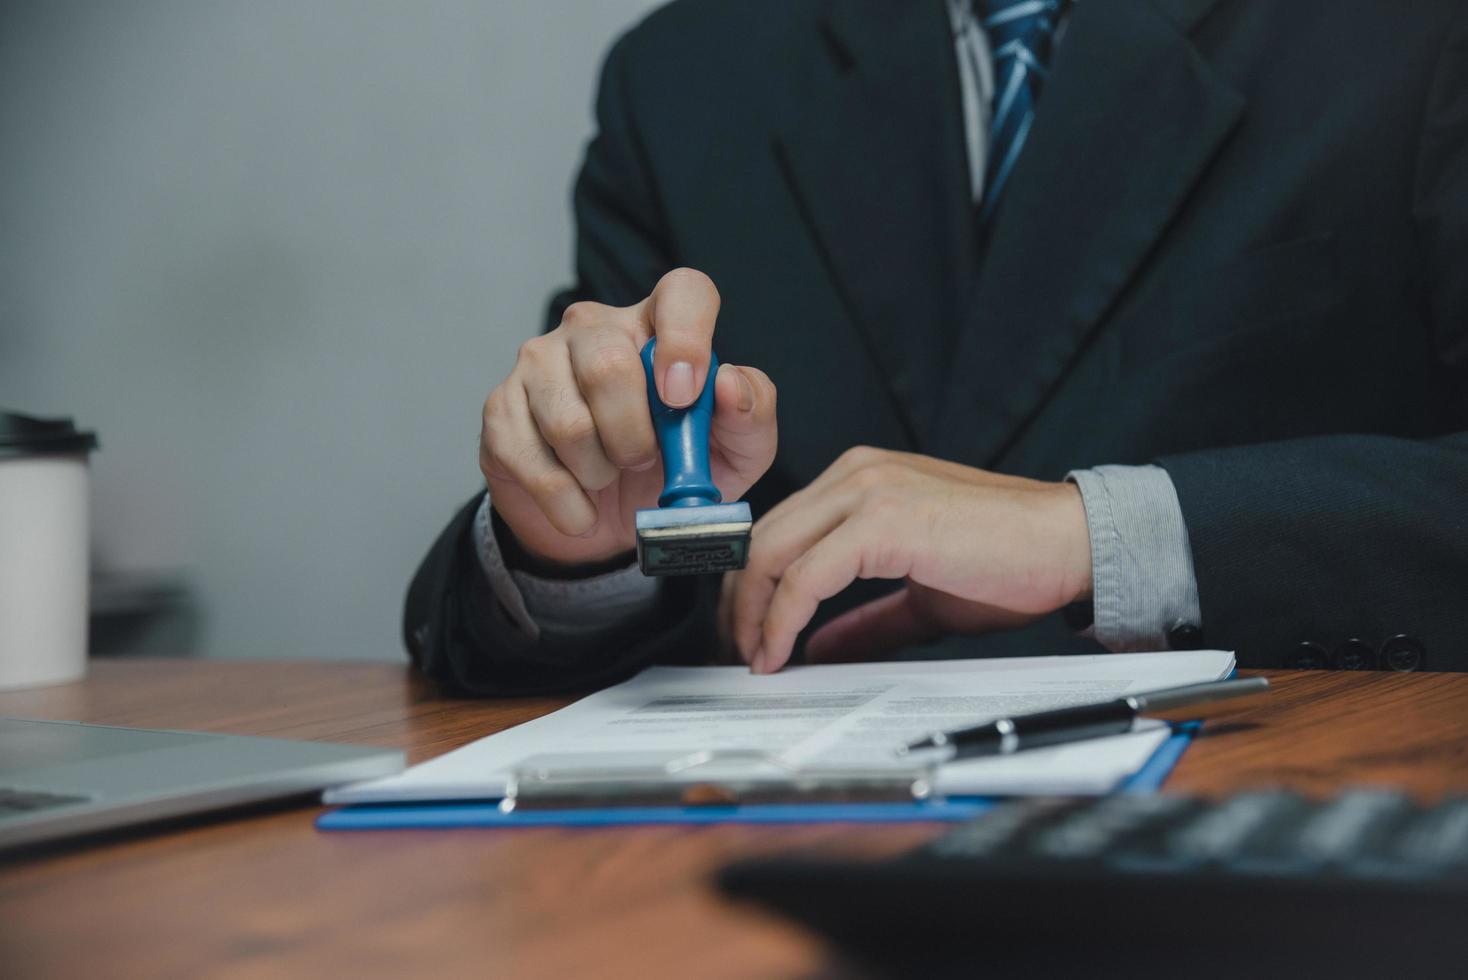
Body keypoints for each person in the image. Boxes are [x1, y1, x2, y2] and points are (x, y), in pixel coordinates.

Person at [405, 0, 1468, 694]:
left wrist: (1091, 534)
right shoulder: (684, 76)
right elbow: (620, 538)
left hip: (1273, 844)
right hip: (761, 866)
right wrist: (575, 550)